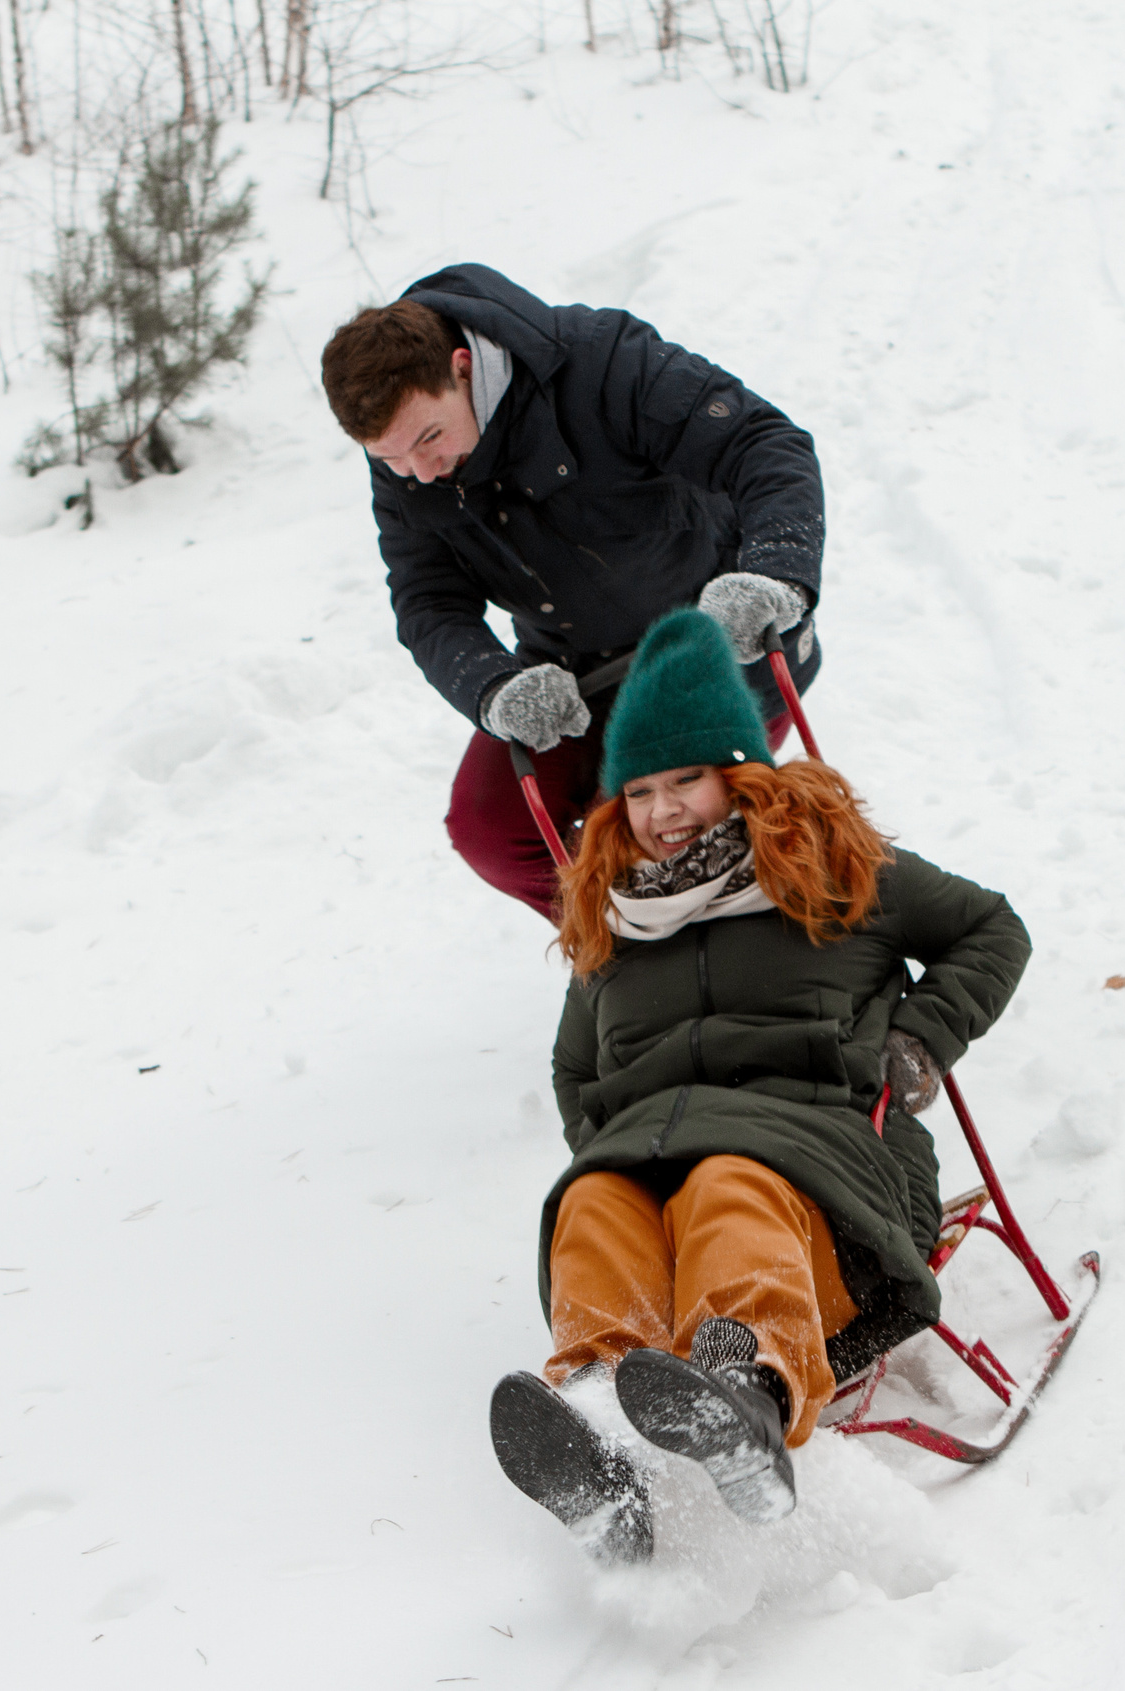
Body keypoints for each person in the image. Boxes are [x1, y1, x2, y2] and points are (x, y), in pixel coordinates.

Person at [484, 610, 1030, 1564]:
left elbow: (992, 929)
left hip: (828, 1172)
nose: (662, 810)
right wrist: (608, 1147)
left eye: (685, 779)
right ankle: (603, 1423)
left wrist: (918, 1041)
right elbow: (576, 1067)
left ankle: (749, 1392)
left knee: (728, 1182)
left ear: (739, 772)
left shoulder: (834, 867)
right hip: (658, 1161)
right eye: (640, 790)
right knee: (597, 1200)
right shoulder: (614, 920)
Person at [319, 264, 827, 916]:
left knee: (647, 834)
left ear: (463, 369)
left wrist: (773, 576)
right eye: (389, 459)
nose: (419, 472)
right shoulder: (410, 464)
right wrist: (494, 688)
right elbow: (428, 599)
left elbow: (761, 443)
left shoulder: (599, 361)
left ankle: (729, 933)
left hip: (713, 645)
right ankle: (617, 942)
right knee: (493, 830)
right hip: (571, 671)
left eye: (429, 438)